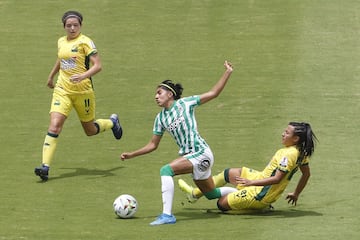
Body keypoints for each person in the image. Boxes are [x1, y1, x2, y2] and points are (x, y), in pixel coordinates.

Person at [120, 61, 235, 225]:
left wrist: (227, 72)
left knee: (166, 170)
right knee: (211, 194)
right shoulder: (160, 118)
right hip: (193, 157)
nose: (156, 96)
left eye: (159, 93)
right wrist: (132, 154)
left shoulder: (185, 103)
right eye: (155, 94)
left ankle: (167, 215)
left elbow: (213, 93)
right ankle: (245, 194)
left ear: (170, 94)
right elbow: (153, 145)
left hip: (201, 152)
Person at [34, 10, 123, 181]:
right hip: (63, 90)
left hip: (83, 92)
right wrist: (51, 76)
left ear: (81, 26)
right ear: (64, 27)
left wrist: (82, 76)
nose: (72, 28)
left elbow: (98, 65)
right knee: (54, 125)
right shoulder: (61, 41)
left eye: (76, 25)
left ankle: (112, 122)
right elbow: (61, 59)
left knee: (89, 130)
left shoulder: (85, 42)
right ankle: (45, 167)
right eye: (69, 26)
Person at [178, 122, 317, 212]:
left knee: (221, 204)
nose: (283, 134)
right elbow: (306, 174)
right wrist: (296, 194)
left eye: (287, 133)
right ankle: (194, 194)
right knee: (229, 173)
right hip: (260, 179)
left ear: (296, 138)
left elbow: (277, 179)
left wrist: (251, 183)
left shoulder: (289, 154)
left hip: (261, 194)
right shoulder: (300, 152)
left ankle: (259, 208)